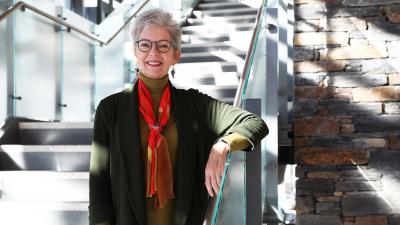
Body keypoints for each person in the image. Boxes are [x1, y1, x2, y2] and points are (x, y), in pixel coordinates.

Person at [89, 8, 268, 225]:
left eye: (163, 45)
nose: (153, 53)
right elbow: (99, 189)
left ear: (176, 55)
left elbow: (254, 122)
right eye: (145, 44)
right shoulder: (110, 109)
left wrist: (223, 145)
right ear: (134, 52)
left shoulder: (194, 105)